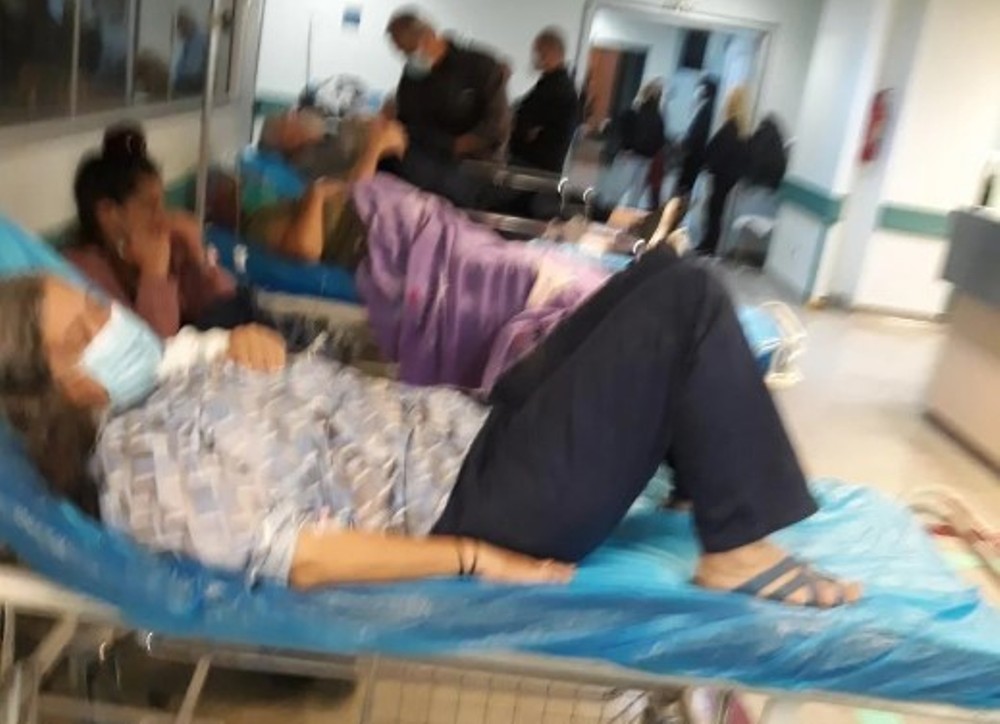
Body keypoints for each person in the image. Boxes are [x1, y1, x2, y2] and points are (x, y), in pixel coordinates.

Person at [0, 252, 860, 608]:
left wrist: (237, 349)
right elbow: (299, 555)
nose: (111, 325)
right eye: (85, 333)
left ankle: (699, 467)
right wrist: (472, 557)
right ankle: (736, 549)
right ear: (58, 390)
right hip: (483, 501)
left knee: (658, 273)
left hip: (468, 431)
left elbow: (247, 397)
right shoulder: (136, 463)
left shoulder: (163, 385)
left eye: (96, 309)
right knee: (689, 302)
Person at [64, 124, 237, 338]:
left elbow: (228, 308)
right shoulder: (81, 274)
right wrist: (154, 274)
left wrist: (197, 253)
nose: (162, 217)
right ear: (108, 214)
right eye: (149, 206)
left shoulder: (168, 249)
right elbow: (151, 347)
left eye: (163, 204)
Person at [386, 9, 510, 162]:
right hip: (421, 157)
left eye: (411, 50)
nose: (409, 58)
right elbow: (406, 117)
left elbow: (496, 126)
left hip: (471, 163)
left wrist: (452, 147)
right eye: (403, 53)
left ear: (429, 36)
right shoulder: (412, 74)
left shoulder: (481, 66)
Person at [508, 28, 579, 173]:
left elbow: (524, 125)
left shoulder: (557, 89)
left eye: (538, 51)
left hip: (534, 168)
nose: (535, 57)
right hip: (534, 165)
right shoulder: (551, 83)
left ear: (551, 52)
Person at [594, 80, 667, 211]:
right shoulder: (659, 118)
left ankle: (604, 212)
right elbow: (660, 142)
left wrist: (625, 147)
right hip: (646, 160)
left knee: (617, 189)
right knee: (635, 196)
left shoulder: (634, 112)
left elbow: (620, 130)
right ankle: (627, 217)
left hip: (630, 156)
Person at [701, 86, 751, 256]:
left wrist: (709, 164)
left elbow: (716, 151)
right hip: (730, 177)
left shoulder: (730, 128)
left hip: (721, 176)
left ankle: (709, 245)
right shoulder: (742, 130)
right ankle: (712, 245)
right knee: (718, 211)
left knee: (714, 211)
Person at [172, 8, 208, 95]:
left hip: (192, 87)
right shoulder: (189, 41)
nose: (178, 29)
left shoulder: (198, 40)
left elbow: (192, 70)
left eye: (180, 25)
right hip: (188, 83)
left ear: (188, 23)